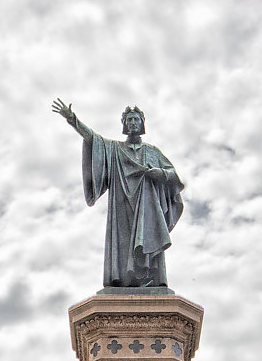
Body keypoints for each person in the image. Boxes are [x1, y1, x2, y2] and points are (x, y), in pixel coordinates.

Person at [52, 99, 184, 288]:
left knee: (145, 239)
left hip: (146, 207)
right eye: (129, 120)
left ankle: (149, 277)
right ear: (124, 124)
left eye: (136, 120)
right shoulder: (115, 149)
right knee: (122, 245)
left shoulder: (153, 152)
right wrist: (73, 119)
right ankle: (125, 280)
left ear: (142, 124)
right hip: (122, 205)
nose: (132, 123)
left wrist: (159, 173)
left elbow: (174, 176)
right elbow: (92, 139)